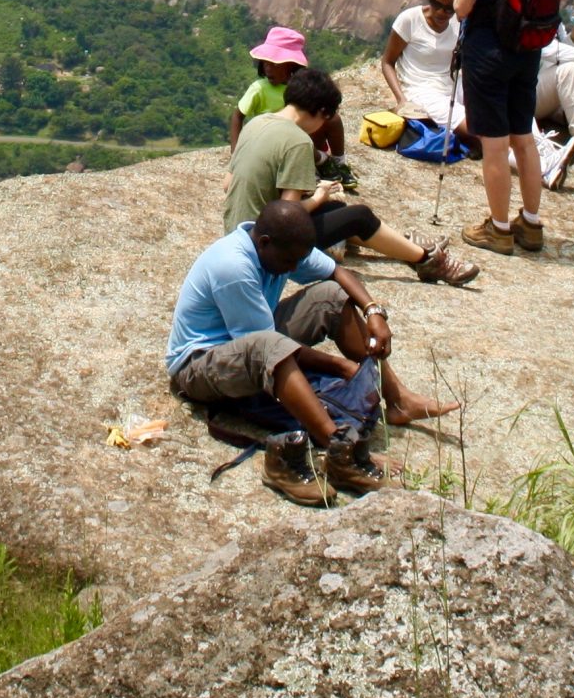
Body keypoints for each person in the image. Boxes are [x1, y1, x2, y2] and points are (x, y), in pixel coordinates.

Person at [167, 199, 462, 504]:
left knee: (331, 296)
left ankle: (398, 399)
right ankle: (338, 448)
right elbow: (267, 345)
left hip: (250, 343)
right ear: (265, 243)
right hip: (200, 366)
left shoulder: (279, 245)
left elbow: (337, 273)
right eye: (290, 261)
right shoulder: (234, 266)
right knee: (270, 345)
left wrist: (374, 311)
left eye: (300, 260)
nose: (295, 268)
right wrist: (340, 366)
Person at [223, 67, 479, 285]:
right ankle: (428, 260)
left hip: (238, 231)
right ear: (322, 111)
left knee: (338, 210)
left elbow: (229, 184)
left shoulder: (257, 123)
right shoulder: (298, 142)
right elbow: (289, 217)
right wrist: (319, 196)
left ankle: (404, 246)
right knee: (359, 216)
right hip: (268, 244)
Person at [451, 0, 553, 256]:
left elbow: (463, 7)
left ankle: (498, 229)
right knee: (523, 139)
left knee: (494, 145)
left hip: (489, 54)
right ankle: (531, 224)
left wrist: (459, 2)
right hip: (527, 51)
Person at [227, 25, 343, 160]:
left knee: (332, 118)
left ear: (291, 64)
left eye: (275, 64)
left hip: (300, 137)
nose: (269, 69)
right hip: (274, 142)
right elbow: (237, 115)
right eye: (265, 63)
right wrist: (235, 152)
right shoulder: (259, 89)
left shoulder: (302, 86)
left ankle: (338, 162)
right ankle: (321, 161)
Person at [380, 0, 463, 126]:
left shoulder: (459, 21)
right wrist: (402, 101)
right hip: (423, 92)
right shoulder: (410, 20)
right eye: (436, 4)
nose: (441, 12)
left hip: (453, 87)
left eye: (448, 9)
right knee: (475, 127)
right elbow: (387, 62)